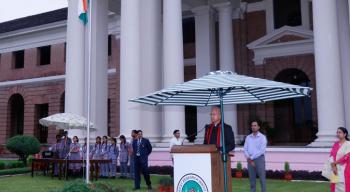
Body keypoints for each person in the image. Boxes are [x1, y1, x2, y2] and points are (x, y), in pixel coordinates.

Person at [244, 120, 267, 192]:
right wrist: (249, 158)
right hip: (250, 160)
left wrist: (251, 158)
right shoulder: (248, 137)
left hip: (259, 159)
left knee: (262, 180)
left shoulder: (262, 137)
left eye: (255, 125)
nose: (253, 127)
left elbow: (261, 151)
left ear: (259, 127)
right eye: (252, 126)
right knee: (252, 180)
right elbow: (245, 149)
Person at [329, 127, 350, 192]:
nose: (338, 134)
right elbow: (331, 155)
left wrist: (335, 163)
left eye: (340, 132)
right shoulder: (335, 144)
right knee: (335, 186)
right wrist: (333, 166)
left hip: (345, 168)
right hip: (335, 168)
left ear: (345, 134)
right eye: (337, 132)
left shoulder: (348, 144)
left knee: (344, 186)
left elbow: (347, 156)